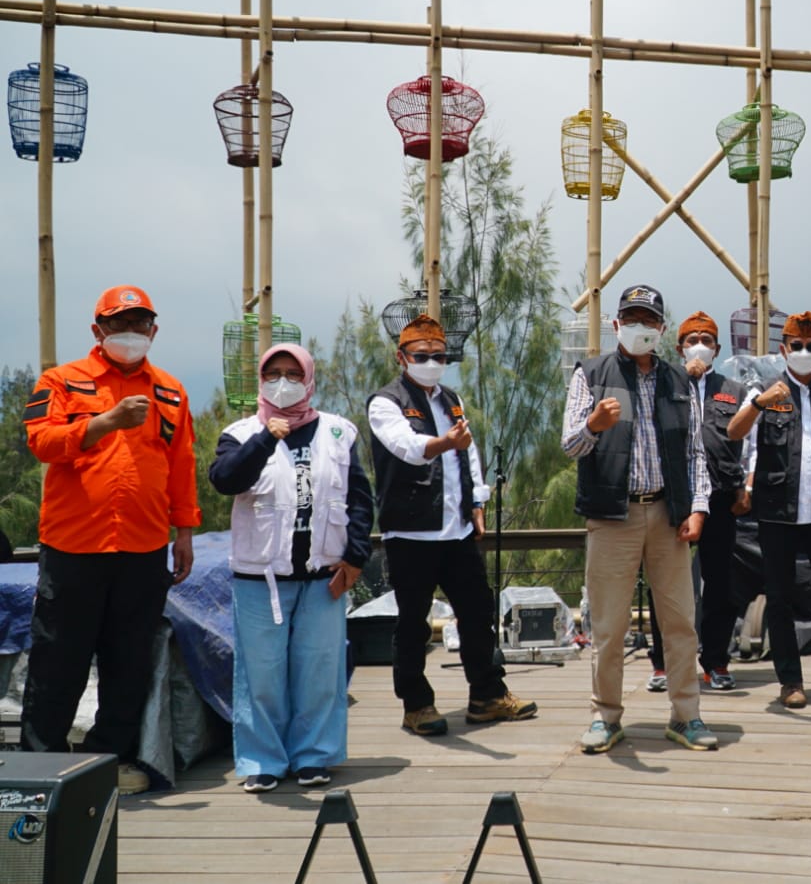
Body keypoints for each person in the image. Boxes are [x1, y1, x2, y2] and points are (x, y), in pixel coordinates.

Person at [21, 285, 200, 796]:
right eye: (120, 324)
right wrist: (101, 424)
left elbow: (181, 464)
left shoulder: (170, 389)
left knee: (129, 662)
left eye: (140, 324)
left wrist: (184, 531)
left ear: (154, 331)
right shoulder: (60, 380)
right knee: (59, 659)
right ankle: (39, 764)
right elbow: (40, 442)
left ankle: (110, 760)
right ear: (97, 330)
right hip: (73, 547)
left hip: (143, 548)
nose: (130, 333)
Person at [209, 344, 373, 793]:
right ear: (260, 381)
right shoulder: (241, 433)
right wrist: (268, 437)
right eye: (273, 373)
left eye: (292, 374)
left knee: (319, 669)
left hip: (324, 576)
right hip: (260, 578)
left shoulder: (340, 432)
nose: (283, 383)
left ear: (309, 379)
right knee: (261, 672)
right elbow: (225, 480)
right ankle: (262, 759)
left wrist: (356, 558)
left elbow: (359, 500)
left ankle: (313, 756)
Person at [561, 285, 718, 753]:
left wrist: (698, 507)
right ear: (615, 325)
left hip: (669, 516)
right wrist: (593, 425)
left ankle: (686, 715)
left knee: (680, 622)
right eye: (631, 318)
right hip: (613, 516)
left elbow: (695, 452)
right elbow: (569, 444)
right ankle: (605, 718)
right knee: (609, 625)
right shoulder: (591, 374)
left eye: (649, 320)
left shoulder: (678, 382)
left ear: (662, 330)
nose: (639, 327)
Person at [368, 315, 536, 737]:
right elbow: (407, 447)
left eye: (438, 355)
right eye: (421, 356)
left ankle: (487, 696)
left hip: (456, 530)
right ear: (401, 357)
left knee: (478, 614)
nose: (430, 362)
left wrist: (477, 501)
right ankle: (417, 704)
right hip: (410, 532)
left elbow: (469, 453)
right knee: (413, 623)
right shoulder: (385, 402)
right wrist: (445, 443)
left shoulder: (450, 399)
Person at [727, 311, 811, 710]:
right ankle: (790, 682)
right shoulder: (768, 391)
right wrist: (758, 402)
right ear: (783, 349)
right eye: (797, 347)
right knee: (780, 598)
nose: (804, 353)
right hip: (777, 516)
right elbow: (734, 432)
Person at [644, 312, 752, 695]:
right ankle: (663, 664)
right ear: (679, 346)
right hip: (673, 496)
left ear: (718, 349)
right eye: (693, 339)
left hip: (722, 496)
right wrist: (683, 377)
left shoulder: (735, 389)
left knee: (720, 584)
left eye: (707, 339)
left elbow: (749, 443)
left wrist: (746, 485)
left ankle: (716, 662)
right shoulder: (662, 383)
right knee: (665, 582)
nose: (700, 345)